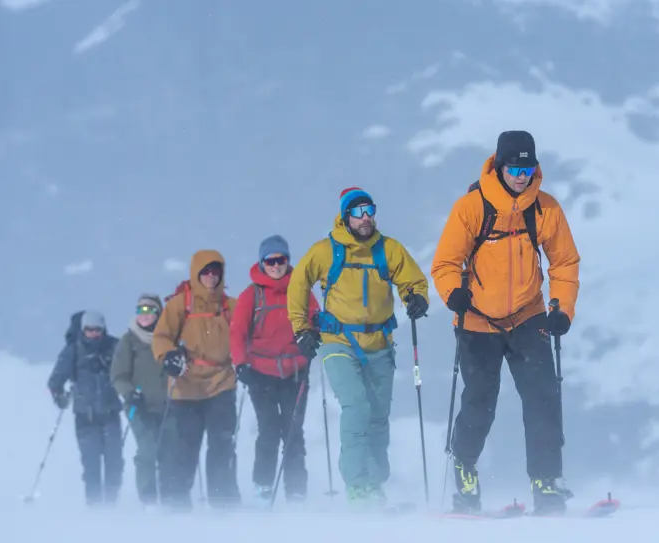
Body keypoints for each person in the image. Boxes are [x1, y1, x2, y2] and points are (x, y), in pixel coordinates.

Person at [430, 130, 579, 516]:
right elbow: (446, 263)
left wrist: (562, 310)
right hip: (478, 322)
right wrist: (453, 294)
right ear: (499, 165)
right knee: (480, 403)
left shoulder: (545, 209)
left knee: (543, 396)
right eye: (514, 166)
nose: (521, 175)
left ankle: (547, 482)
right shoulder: (471, 208)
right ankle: (465, 471)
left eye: (528, 167)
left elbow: (563, 263)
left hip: (528, 317)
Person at [287, 187, 429, 507]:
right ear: (345, 216)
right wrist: (302, 329)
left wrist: (416, 298)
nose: (366, 218)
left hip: (380, 343)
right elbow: (298, 283)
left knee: (378, 416)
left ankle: (375, 485)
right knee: (356, 406)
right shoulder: (326, 251)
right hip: (338, 342)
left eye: (369, 210)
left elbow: (413, 281)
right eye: (358, 212)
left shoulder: (388, 249)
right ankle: (357, 486)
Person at [230, 234, 320, 504]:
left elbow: (314, 318)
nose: (277, 265)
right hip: (261, 373)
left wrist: (315, 336)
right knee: (269, 429)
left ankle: (296, 490)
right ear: (262, 262)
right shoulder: (251, 295)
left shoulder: (301, 289)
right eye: (271, 260)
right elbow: (237, 332)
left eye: (282, 260)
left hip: (295, 371)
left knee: (293, 431)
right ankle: (263, 486)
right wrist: (240, 363)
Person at [151, 250, 240, 511]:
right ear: (196, 273)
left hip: (221, 383)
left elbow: (249, 331)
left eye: (216, 272)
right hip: (186, 387)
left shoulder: (230, 305)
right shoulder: (180, 304)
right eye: (206, 272)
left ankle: (223, 502)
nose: (211, 277)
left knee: (222, 444)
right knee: (185, 449)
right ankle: (176, 504)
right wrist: (168, 356)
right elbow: (161, 336)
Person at [47, 310, 125, 507]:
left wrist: (133, 391)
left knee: (114, 462)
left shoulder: (114, 347)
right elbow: (55, 381)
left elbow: (129, 372)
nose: (93, 333)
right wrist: (60, 397)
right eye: (89, 330)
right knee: (91, 465)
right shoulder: (73, 351)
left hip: (110, 414)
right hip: (85, 417)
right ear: (83, 330)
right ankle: (95, 505)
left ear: (103, 328)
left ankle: (111, 502)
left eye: (97, 329)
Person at [110, 293, 168, 506]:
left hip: (167, 404)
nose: (144, 315)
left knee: (168, 450)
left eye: (149, 310)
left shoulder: (167, 338)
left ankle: (170, 495)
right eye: (140, 311)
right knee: (148, 449)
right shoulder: (129, 341)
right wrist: (129, 393)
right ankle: (148, 498)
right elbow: (118, 375)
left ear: (157, 313)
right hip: (139, 406)